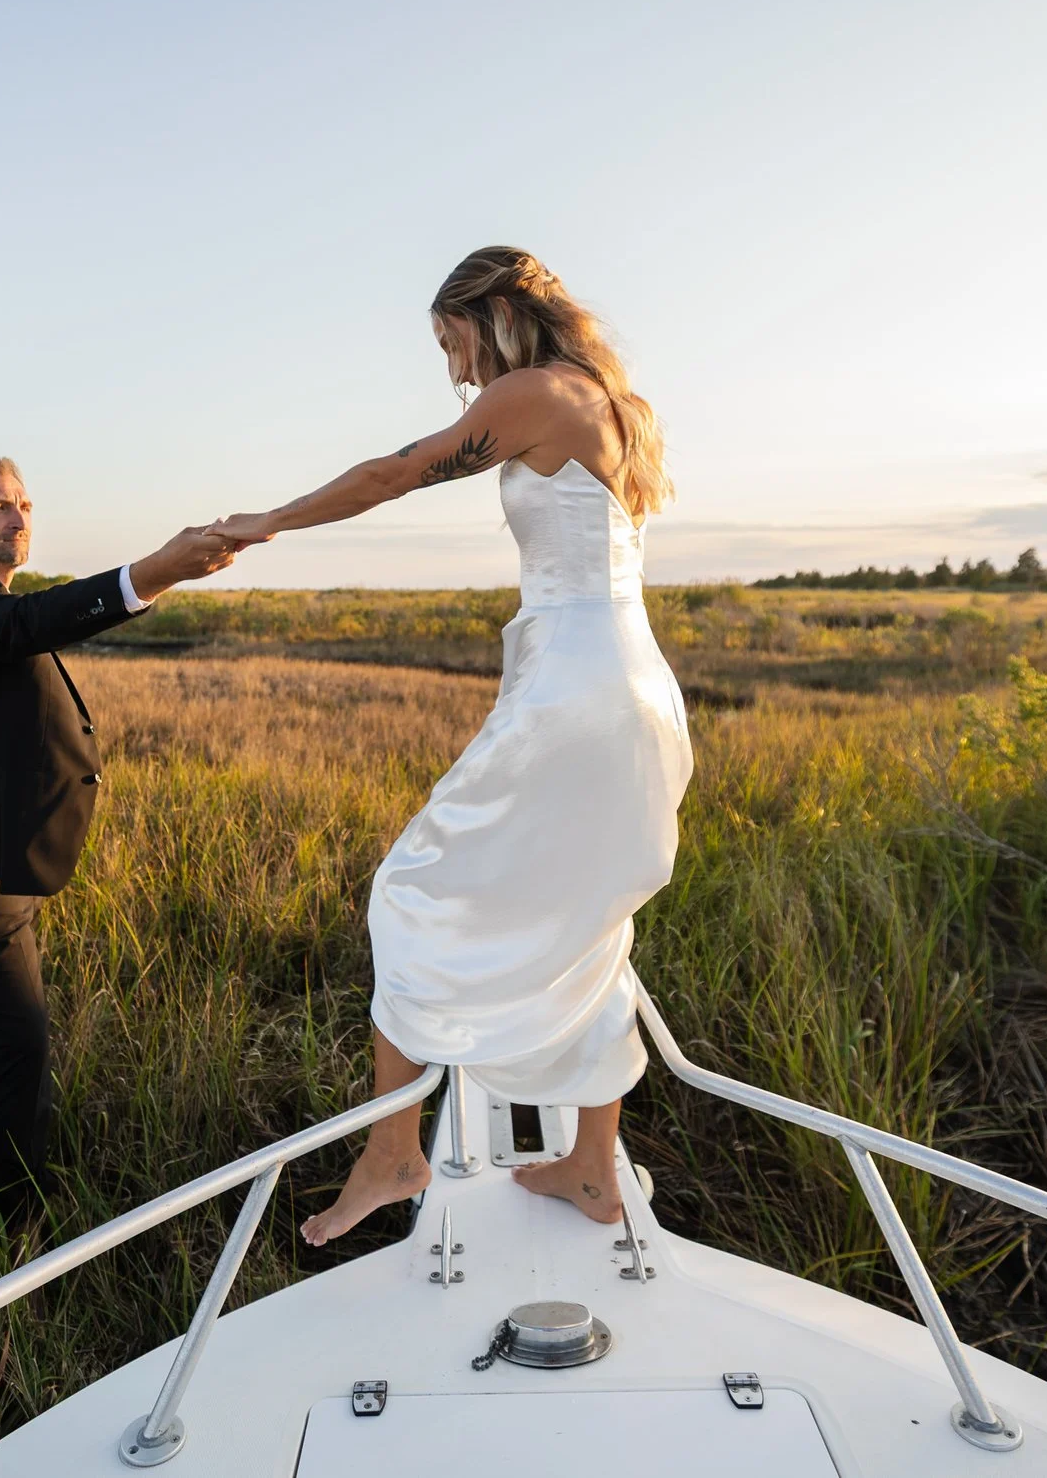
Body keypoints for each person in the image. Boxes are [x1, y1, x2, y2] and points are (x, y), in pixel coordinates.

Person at [208, 247, 692, 1244]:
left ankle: (393, 1153)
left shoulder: (532, 390)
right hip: (631, 682)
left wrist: (267, 522)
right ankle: (591, 1169)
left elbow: (395, 472)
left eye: (450, 340)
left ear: (494, 313)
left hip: (577, 691)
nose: (455, 371)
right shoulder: (611, 402)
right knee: (588, 914)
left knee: (411, 887)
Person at [0, 456, 243, 1224]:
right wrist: (151, 573)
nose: (18, 519)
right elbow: (27, 625)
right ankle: (15, 1226)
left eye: (23, 504)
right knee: (17, 1043)